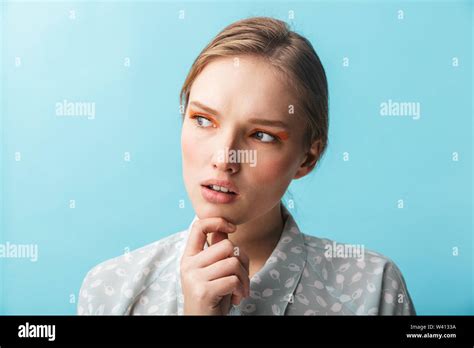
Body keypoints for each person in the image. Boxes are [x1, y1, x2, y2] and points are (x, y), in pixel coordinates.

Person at [77, 16, 416, 316]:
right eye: (203, 120)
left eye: (262, 136)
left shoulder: (373, 290)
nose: (224, 158)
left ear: (307, 158)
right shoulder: (111, 292)